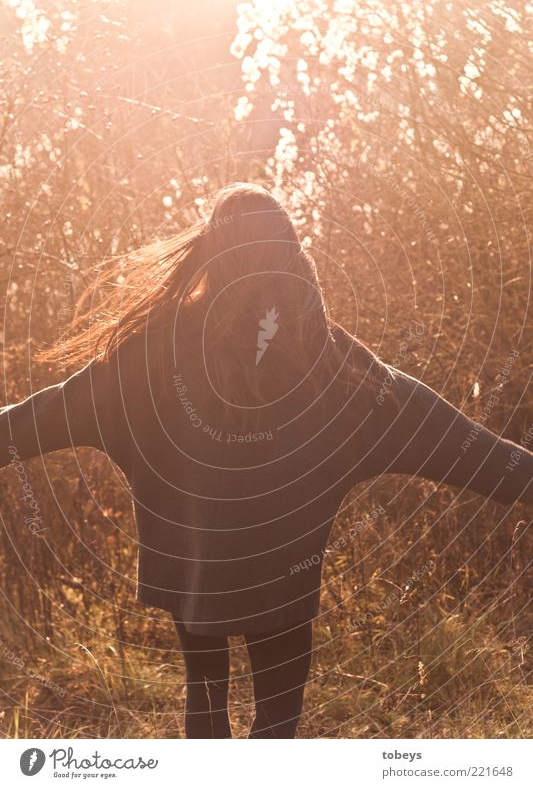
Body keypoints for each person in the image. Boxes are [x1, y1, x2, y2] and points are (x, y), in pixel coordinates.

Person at [1, 182, 532, 738]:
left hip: (198, 582)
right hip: (283, 586)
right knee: (278, 724)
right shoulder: (332, 363)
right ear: (289, 252)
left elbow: (33, 420)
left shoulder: (151, 355)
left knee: (205, 711)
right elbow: (463, 444)